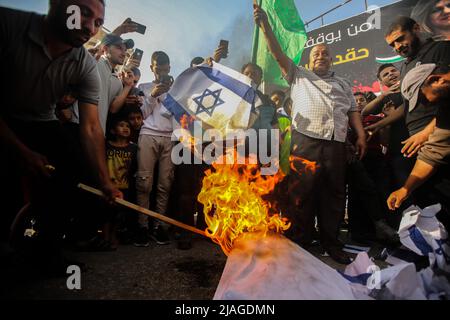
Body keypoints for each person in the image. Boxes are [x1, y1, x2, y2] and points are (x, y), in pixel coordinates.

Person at [0, 0, 121, 274]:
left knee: (79, 180)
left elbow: (90, 128)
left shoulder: (85, 65)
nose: (90, 27)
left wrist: (104, 181)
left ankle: (47, 252)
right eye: (83, 13)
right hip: (5, 117)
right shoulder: (7, 25)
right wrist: (21, 151)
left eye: (98, 22)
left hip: (42, 121)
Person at [254, 4, 367, 264]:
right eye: (316, 53)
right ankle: (300, 240)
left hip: (337, 143)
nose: (321, 56)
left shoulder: (343, 83)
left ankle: (332, 243)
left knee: (334, 195)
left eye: (325, 53)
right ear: (308, 60)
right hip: (305, 141)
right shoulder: (298, 75)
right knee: (301, 192)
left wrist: (360, 135)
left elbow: (352, 111)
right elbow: (277, 52)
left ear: (331, 59)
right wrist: (265, 26)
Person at [387, 64, 450, 228]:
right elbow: (433, 153)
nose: (427, 105)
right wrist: (405, 189)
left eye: (423, 98)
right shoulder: (445, 110)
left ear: (435, 80)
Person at [384, 16, 450, 159]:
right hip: (417, 138)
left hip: (440, 133)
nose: (397, 47)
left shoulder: (441, 48)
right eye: (392, 45)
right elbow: (409, 104)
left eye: (400, 39)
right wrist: (378, 125)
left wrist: (427, 133)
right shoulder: (405, 66)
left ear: (416, 28)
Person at [134, 51, 175, 247]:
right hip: (148, 134)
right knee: (144, 182)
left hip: (169, 138)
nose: (161, 73)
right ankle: (142, 226)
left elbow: (179, 117)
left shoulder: (177, 90)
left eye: (165, 69)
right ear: (152, 68)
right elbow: (140, 115)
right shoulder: (144, 87)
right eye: (158, 69)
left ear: (169, 68)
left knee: (165, 184)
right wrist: (152, 95)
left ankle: (159, 226)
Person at [103, 115, 138, 250]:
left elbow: (135, 167)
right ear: (112, 130)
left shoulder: (133, 148)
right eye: (121, 125)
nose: (125, 128)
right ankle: (104, 237)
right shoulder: (106, 146)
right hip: (108, 185)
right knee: (106, 212)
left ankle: (113, 235)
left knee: (119, 214)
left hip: (124, 186)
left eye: (128, 126)